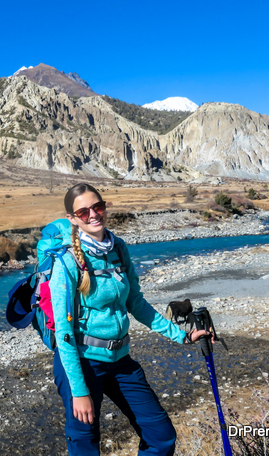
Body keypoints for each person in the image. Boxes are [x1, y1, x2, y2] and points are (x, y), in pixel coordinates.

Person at [49, 182, 212, 456]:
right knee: (85, 443)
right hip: (82, 362)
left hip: (121, 361)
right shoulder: (66, 262)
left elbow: (136, 303)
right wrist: (79, 391)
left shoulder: (119, 250)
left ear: (105, 207)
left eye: (97, 207)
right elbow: (63, 334)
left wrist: (182, 335)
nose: (93, 215)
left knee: (161, 437)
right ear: (73, 219)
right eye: (83, 211)